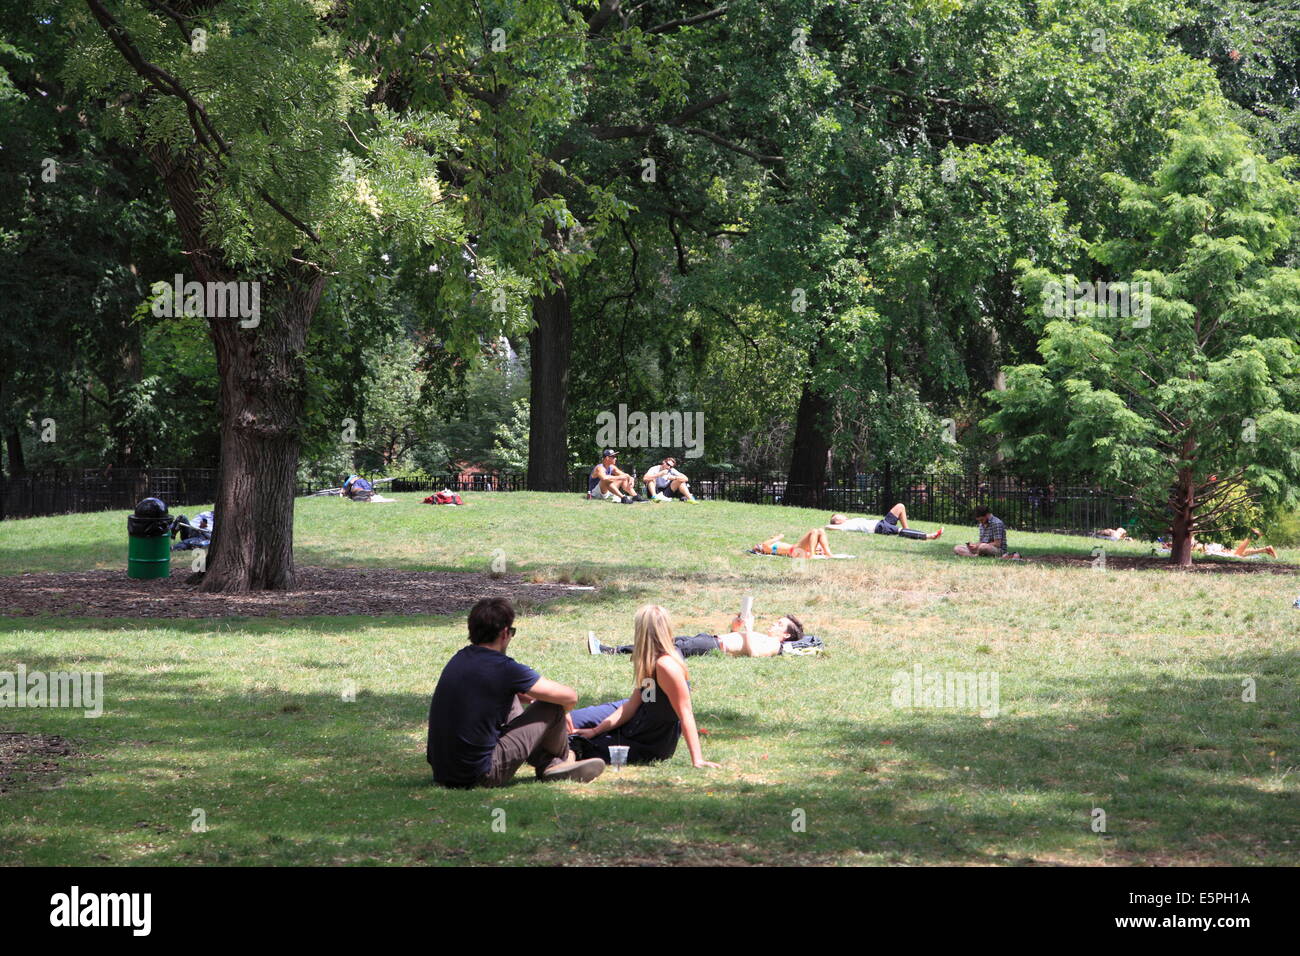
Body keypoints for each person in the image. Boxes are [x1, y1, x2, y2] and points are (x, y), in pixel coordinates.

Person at [426, 597, 605, 788]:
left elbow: (497, 692)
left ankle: (552, 765)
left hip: (443, 771)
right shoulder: (504, 668)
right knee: (552, 705)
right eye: (512, 632)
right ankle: (562, 761)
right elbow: (569, 696)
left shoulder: (459, 659)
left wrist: (534, 700)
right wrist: (563, 711)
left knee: (515, 696)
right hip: (481, 774)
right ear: (504, 633)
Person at [568, 605, 718, 768]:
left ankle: (564, 761)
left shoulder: (666, 665)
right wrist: (596, 730)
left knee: (575, 742)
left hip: (650, 740)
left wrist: (697, 759)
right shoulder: (650, 659)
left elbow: (685, 712)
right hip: (637, 720)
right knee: (567, 721)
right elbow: (632, 705)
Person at [588, 613, 814, 658]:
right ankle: (615, 650)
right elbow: (741, 640)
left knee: (666, 647)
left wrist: (748, 629)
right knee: (668, 643)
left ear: (785, 636)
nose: (774, 624)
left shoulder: (775, 646)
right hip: (713, 639)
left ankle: (609, 651)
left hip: (714, 647)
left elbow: (753, 653)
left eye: (779, 624)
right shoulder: (766, 638)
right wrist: (737, 625)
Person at [827, 504, 942, 540]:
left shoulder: (850, 521)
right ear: (837, 522)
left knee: (900, 506)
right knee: (900, 531)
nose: (843, 515)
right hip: (879, 528)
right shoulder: (845, 526)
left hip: (882, 522)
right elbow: (828, 527)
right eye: (839, 516)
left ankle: (908, 532)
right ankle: (929, 536)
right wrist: (828, 526)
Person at [953, 506, 1020, 558]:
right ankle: (974, 556)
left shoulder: (996, 523)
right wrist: (974, 545)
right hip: (982, 548)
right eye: (979, 521)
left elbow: (997, 544)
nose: (981, 522)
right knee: (957, 548)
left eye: (982, 520)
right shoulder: (981, 524)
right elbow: (982, 541)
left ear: (987, 515)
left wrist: (980, 546)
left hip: (997, 550)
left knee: (983, 547)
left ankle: (975, 555)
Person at [750, 528, 833, 558]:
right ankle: (812, 554)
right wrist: (778, 537)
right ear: (759, 549)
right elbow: (765, 543)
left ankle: (828, 553)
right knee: (814, 531)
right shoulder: (765, 547)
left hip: (795, 550)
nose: (760, 543)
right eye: (758, 545)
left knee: (820, 531)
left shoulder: (771, 548)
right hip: (794, 550)